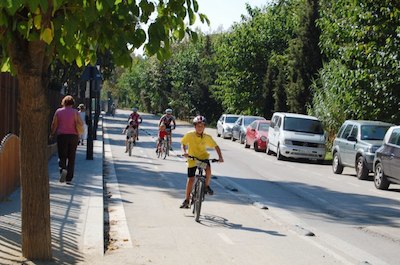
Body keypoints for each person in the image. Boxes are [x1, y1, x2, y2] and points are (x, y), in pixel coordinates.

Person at [180, 115, 224, 208]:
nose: (200, 128)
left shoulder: (207, 137)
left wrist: (220, 157)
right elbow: (183, 143)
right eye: (198, 126)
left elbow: (216, 146)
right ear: (194, 126)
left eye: (202, 126)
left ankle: (206, 186)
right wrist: (184, 152)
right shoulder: (189, 134)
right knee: (191, 179)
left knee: (208, 170)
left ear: (204, 127)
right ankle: (187, 200)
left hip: (203, 158)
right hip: (193, 159)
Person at [50, 95, 83, 185]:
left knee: (62, 156)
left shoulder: (58, 112)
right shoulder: (75, 112)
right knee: (71, 157)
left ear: (63, 102)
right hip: (73, 136)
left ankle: (63, 169)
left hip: (62, 136)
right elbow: (81, 123)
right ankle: (69, 178)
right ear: (72, 103)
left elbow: (54, 124)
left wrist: (52, 133)